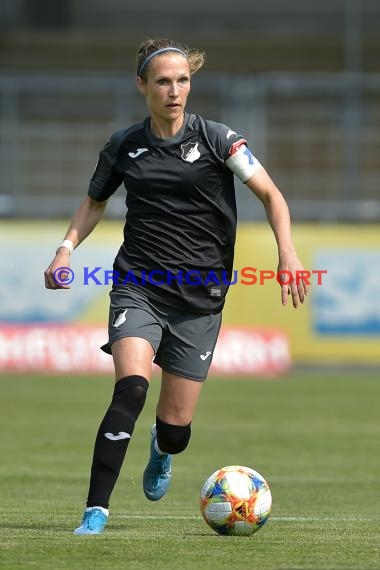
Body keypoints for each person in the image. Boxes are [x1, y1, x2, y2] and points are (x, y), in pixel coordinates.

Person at [44, 37, 309, 535]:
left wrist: (287, 252)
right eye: (163, 81)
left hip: (200, 301)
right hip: (138, 286)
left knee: (176, 429)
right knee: (131, 388)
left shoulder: (218, 139)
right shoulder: (124, 145)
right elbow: (93, 202)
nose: (174, 90)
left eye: (182, 80)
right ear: (142, 85)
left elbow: (272, 195)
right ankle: (95, 511)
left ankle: (161, 448)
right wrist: (65, 248)